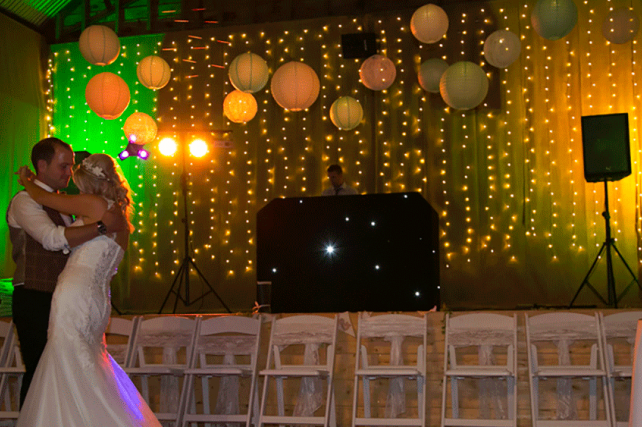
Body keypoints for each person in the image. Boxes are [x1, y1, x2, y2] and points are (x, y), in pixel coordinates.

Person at [15, 153, 161, 426]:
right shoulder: (117, 214)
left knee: (67, 355)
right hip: (96, 300)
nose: (72, 181)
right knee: (85, 359)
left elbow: (45, 198)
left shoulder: (94, 204)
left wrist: (27, 180)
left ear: (89, 182)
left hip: (75, 294)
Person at [6, 137, 127, 407]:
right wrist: (101, 228)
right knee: (41, 370)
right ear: (42, 165)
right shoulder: (24, 201)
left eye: (72, 167)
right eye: (63, 166)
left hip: (71, 299)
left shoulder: (73, 204)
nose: (69, 173)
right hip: (35, 295)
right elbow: (51, 239)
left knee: (66, 369)